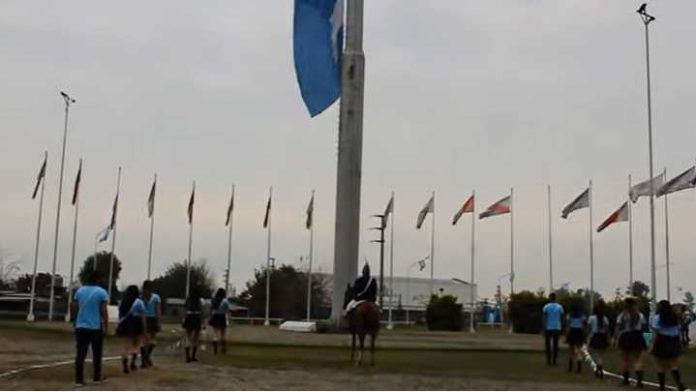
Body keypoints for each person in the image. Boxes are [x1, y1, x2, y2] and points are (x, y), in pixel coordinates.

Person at [72, 271, 108, 386]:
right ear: (97, 280)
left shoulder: (80, 291)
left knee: (80, 353)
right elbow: (103, 310)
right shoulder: (101, 292)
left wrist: (74, 321)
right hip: (95, 326)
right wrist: (106, 325)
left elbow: (74, 307)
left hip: (81, 325)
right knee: (97, 353)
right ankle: (96, 378)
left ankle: (79, 379)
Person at [651, 300, 687, 391]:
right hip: (673, 340)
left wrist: (651, 345)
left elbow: (655, 332)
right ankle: (679, 383)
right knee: (673, 363)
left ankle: (662, 386)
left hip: (662, 340)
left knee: (659, 364)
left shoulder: (657, 317)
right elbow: (678, 330)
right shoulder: (674, 317)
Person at [615, 297, 647, 387]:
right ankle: (639, 381)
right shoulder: (640, 315)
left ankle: (625, 380)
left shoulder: (622, 315)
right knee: (637, 359)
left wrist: (616, 338)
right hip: (637, 336)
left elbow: (617, 328)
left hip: (625, 336)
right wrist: (647, 340)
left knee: (625, 359)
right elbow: (645, 328)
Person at [116, 285, 146, 374]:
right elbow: (143, 316)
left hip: (125, 324)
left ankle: (124, 365)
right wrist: (145, 328)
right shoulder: (139, 302)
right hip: (136, 324)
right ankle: (132, 363)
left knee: (125, 346)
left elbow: (120, 314)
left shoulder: (123, 302)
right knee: (136, 345)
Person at [140, 280, 161, 368]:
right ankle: (147, 357)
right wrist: (159, 321)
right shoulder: (156, 297)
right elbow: (158, 310)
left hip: (143, 319)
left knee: (144, 341)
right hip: (152, 319)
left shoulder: (141, 297)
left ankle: (144, 359)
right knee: (152, 340)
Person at [588, 300, 610, 378]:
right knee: (601, 355)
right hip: (602, 336)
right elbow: (607, 329)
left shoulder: (591, 318)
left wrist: (588, 338)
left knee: (595, 354)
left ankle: (598, 368)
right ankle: (600, 367)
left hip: (595, 336)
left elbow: (589, 329)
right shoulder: (605, 318)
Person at [182, 289, 204, 363]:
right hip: (197, 317)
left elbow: (185, 309)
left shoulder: (188, 300)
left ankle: (187, 355)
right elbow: (202, 310)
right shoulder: (200, 300)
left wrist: (184, 319)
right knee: (196, 338)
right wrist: (202, 321)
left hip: (189, 316)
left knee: (188, 336)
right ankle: (193, 356)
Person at [541, 293, 563, 365]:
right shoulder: (559, 307)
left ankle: (548, 359)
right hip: (557, 327)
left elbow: (544, 317)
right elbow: (562, 317)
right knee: (555, 344)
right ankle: (554, 360)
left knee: (547, 344)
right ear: (555, 298)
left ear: (550, 298)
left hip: (548, 327)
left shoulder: (546, 307)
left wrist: (544, 327)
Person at [565, 299, 587, 373]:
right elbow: (584, 326)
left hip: (572, 331)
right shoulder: (582, 316)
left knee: (571, 350)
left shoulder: (569, 315)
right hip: (579, 331)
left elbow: (567, 326)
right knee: (579, 350)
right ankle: (579, 366)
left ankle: (570, 366)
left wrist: (567, 334)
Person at [208, 288, 231, 355]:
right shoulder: (225, 301)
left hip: (215, 316)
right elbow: (228, 310)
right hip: (222, 317)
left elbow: (211, 309)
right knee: (223, 334)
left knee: (215, 333)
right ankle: (223, 349)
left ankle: (215, 350)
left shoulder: (214, 300)